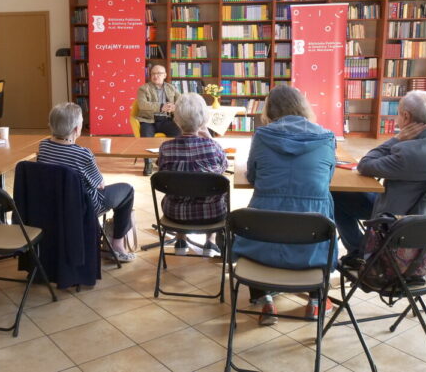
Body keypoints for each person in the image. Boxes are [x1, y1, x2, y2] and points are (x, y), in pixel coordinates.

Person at [233, 85, 337, 325]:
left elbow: (253, 176)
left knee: (259, 223)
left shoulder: (262, 135)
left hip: (262, 245)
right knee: (318, 222)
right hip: (312, 248)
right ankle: (315, 301)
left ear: (270, 109)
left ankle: (266, 300)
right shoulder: (326, 137)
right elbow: (327, 180)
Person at [332, 90, 426, 262]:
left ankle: (359, 252)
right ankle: (361, 250)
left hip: (402, 219)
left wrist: (396, 139)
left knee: (336, 195)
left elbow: (365, 164)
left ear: (405, 116)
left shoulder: (407, 153)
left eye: (398, 115)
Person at [37, 102, 136, 262]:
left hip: (52, 204)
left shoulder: (44, 147)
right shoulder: (83, 154)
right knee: (127, 191)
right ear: (76, 129)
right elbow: (100, 184)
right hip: (82, 207)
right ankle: (117, 244)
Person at [156, 93, 227, 257]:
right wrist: (210, 138)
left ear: (176, 119)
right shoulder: (213, 147)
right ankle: (210, 241)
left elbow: (162, 177)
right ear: (203, 120)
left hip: (174, 215)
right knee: (220, 189)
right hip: (211, 216)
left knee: (180, 187)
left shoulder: (166, 149)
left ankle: (181, 239)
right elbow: (223, 169)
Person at [136, 64, 181, 175]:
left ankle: (168, 161)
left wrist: (175, 107)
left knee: (178, 132)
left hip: (166, 120)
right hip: (148, 120)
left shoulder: (172, 88)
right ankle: (148, 163)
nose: (156, 76)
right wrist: (161, 106)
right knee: (146, 137)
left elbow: (181, 101)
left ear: (165, 75)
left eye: (159, 73)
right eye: (153, 74)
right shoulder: (143, 88)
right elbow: (142, 105)